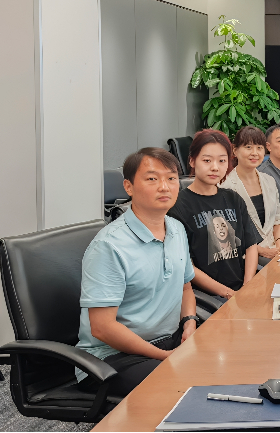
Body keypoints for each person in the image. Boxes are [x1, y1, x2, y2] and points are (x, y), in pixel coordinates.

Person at [76, 147, 197, 397]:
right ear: (128, 187)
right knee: (185, 388)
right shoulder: (109, 246)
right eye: (152, 178)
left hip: (169, 339)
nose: (164, 186)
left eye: (171, 178)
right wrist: (164, 356)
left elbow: (185, 287)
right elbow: (102, 328)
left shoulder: (176, 228)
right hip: (111, 358)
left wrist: (189, 322)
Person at [168, 130, 262, 299]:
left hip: (242, 289)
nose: (215, 167)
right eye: (207, 160)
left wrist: (247, 286)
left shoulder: (233, 198)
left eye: (222, 160)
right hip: (209, 298)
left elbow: (251, 245)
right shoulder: (178, 206)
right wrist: (228, 294)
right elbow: (187, 265)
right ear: (192, 160)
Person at [220, 126, 280, 262]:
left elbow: (278, 218)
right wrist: (263, 251)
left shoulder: (269, 181)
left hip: (276, 250)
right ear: (235, 150)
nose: (255, 153)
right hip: (246, 256)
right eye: (248, 147)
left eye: (259, 148)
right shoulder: (225, 186)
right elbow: (229, 233)